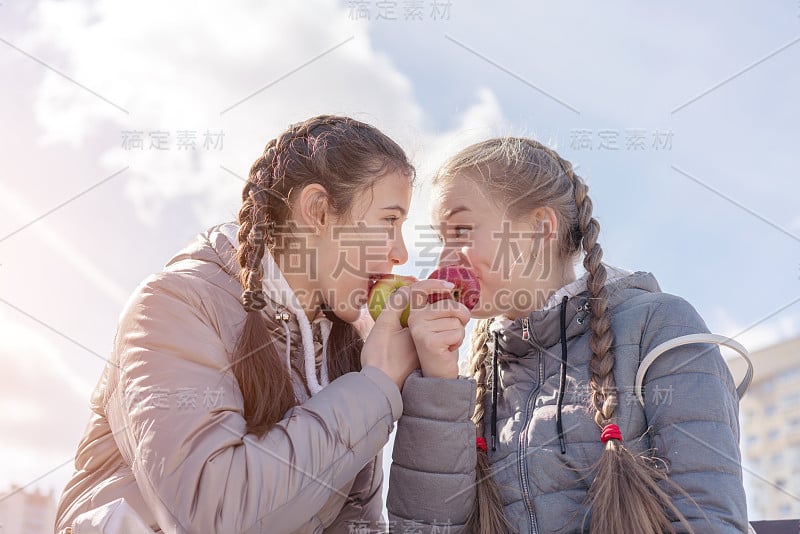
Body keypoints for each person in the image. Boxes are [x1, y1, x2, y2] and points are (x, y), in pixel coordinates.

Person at [55, 115, 457, 533]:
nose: (401, 253)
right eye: (389, 222)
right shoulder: (174, 305)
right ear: (318, 211)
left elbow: (359, 524)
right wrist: (375, 386)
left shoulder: (348, 347)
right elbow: (216, 515)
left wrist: (433, 384)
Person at [388, 137, 748, 533]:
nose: (444, 260)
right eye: (442, 240)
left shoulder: (660, 326)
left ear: (541, 227)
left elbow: (708, 520)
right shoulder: (471, 372)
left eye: (461, 230)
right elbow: (424, 528)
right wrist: (437, 386)